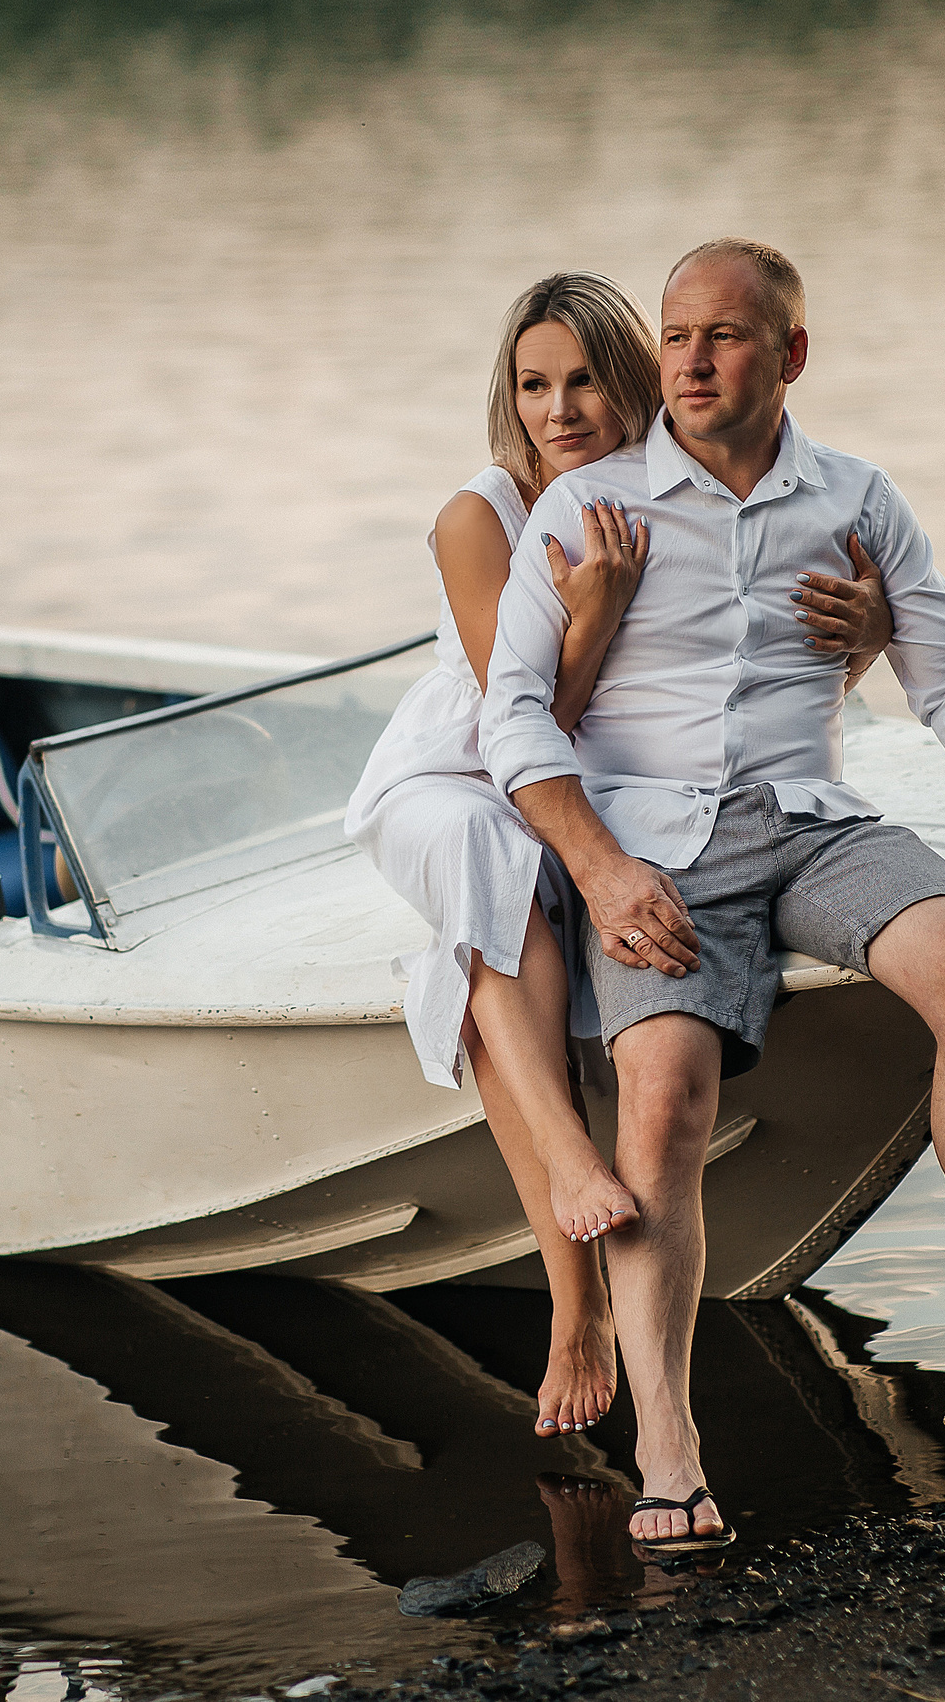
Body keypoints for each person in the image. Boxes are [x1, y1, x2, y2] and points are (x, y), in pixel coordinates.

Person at [480, 235, 945, 1554]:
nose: (692, 360)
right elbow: (516, 719)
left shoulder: (858, 498)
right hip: (649, 843)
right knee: (660, 1095)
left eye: (723, 336)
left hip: (813, 827)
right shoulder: (585, 505)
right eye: (675, 337)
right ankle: (668, 1441)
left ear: (791, 355)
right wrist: (596, 866)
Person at [346, 272, 890, 1440]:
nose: (560, 407)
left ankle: (592, 1288)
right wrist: (593, 612)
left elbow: (752, 691)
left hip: (585, 778)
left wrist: (871, 632)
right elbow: (519, 715)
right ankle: (570, 1242)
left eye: (585, 378)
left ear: (633, 379)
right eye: (533, 385)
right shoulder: (480, 514)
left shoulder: (674, 493)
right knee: (496, 873)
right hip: (462, 769)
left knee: (531, 902)